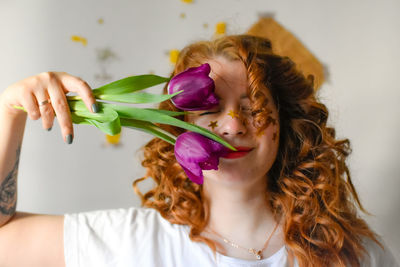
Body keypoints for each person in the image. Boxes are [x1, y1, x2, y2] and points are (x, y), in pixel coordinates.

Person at [0, 35, 398, 267]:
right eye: (208, 107)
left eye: (253, 105)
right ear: (180, 125)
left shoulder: (352, 254)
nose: (233, 125)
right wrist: (10, 111)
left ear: (285, 122)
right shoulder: (132, 244)